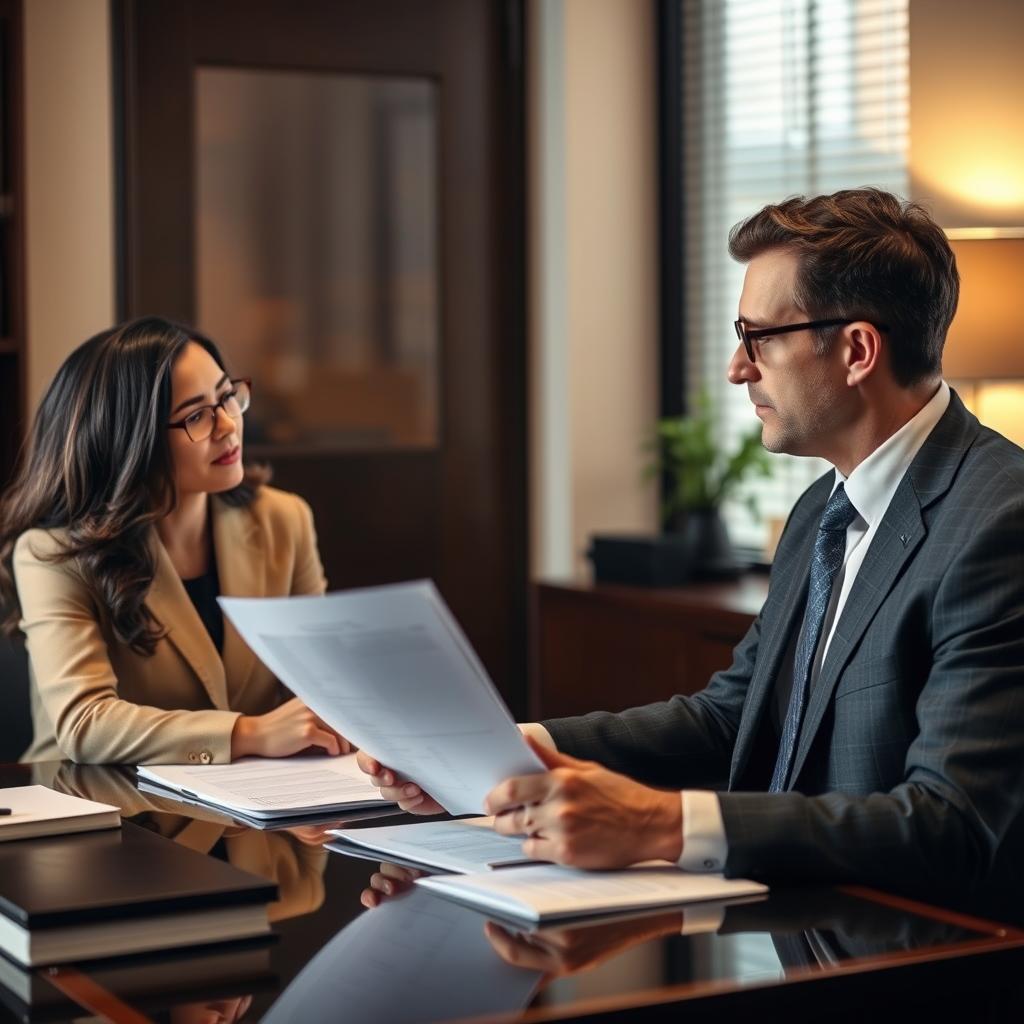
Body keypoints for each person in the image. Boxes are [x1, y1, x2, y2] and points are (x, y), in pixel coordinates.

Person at [359, 189, 1024, 896]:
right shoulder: (819, 512)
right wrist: (512, 755)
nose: (738, 369)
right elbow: (729, 717)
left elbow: (951, 823)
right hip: (806, 934)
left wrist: (664, 825)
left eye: (759, 338)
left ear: (858, 349)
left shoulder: (998, 523)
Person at [0, 316, 349, 764]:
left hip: (252, 807)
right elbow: (84, 724)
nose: (228, 425)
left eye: (227, 397)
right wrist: (248, 732)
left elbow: (324, 684)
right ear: (131, 440)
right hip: (100, 807)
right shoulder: (53, 553)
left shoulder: (284, 519)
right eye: (197, 416)